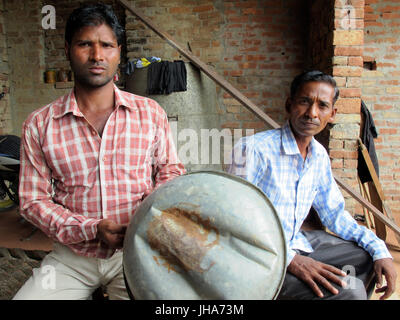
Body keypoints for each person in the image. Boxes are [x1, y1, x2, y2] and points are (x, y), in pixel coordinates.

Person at [13, 3, 185, 300]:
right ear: (67, 49)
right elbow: (33, 201)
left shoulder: (150, 113)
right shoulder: (40, 124)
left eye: (106, 45)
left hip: (137, 252)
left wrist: (147, 217)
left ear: (119, 51)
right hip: (72, 257)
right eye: (85, 44)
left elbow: (170, 173)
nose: (96, 55)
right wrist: (91, 228)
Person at [228, 70, 397, 300]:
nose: (312, 113)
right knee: (352, 291)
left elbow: (335, 215)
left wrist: (379, 249)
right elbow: (233, 221)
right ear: (289, 105)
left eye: (322, 106)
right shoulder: (254, 149)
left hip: (294, 242)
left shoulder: (318, 155)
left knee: (367, 257)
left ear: (332, 114)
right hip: (257, 258)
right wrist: (292, 260)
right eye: (304, 102)